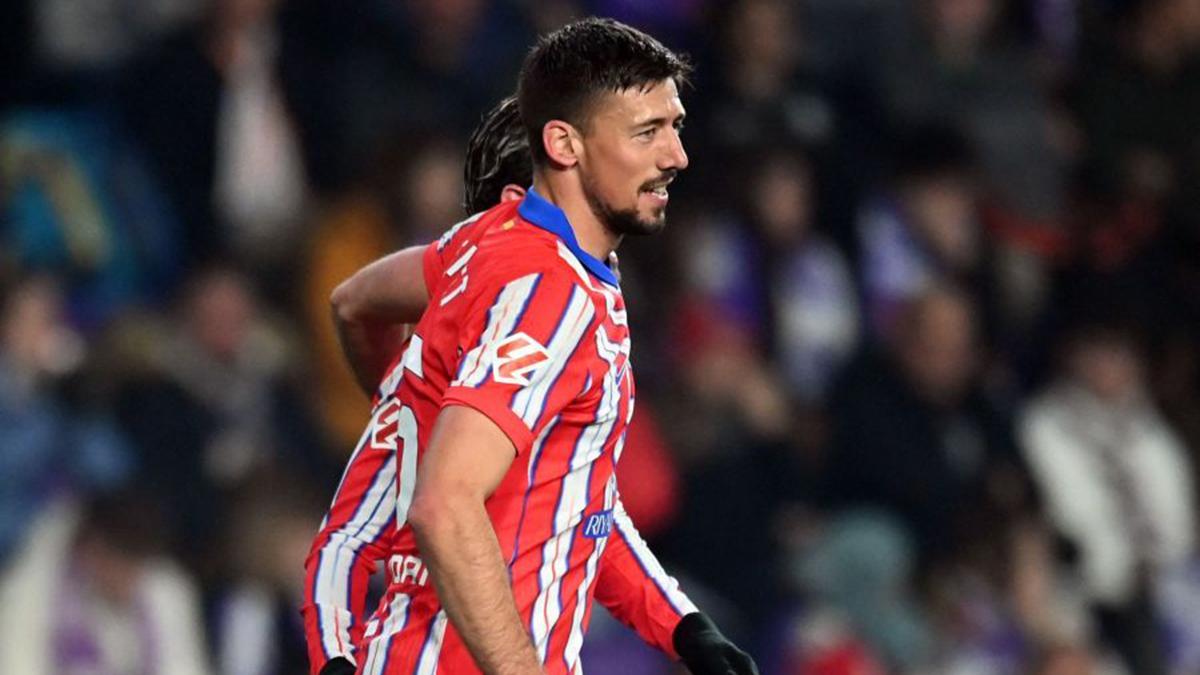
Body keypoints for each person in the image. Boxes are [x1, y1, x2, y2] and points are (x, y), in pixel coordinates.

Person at [302, 18, 757, 675]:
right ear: (564, 144)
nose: (677, 156)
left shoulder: (492, 245)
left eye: (675, 126)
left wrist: (685, 630)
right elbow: (446, 503)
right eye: (647, 133)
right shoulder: (551, 299)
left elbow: (355, 302)